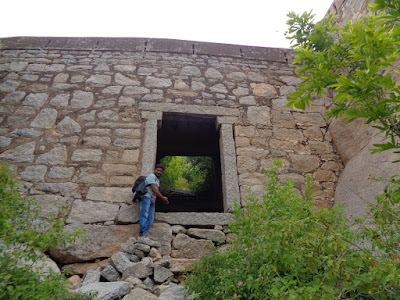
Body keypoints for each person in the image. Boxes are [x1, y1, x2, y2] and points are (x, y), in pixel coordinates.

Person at [139, 164, 169, 237]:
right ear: (154, 170)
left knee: (151, 218)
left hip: (151, 200)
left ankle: (144, 232)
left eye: (160, 171)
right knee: (144, 215)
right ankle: (142, 233)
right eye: (157, 170)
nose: (159, 172)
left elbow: (155, 192)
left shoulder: (157, 180)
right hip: (146, 197)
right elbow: (154, 188)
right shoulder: (152, 176)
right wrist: (163, 198)